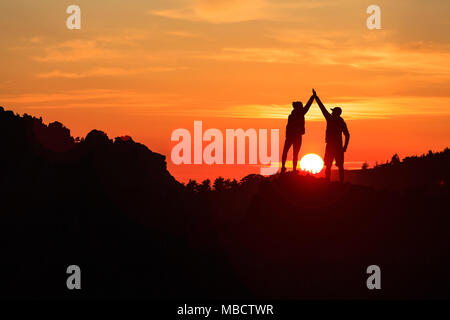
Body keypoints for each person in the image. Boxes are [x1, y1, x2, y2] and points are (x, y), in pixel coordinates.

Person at [313, 89, 350, 183]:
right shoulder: (341, 122)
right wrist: (344, 147)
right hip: (337, 146)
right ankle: (338, 182)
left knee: (329, 165)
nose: (332, 112)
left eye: (333, 111)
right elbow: (347, 135)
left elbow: (322, 108)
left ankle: (328, 181)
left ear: (335, 113)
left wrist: (316, 97)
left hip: (331, 146)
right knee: (339, 166)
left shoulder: (330, 119)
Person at [281, 93, 315, 173]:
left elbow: (308, 106)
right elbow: (288, 126)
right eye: (300, 106)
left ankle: (292, 169)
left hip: (296, 136)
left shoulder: (299, 114)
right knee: (287, 152)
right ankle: (284, 167)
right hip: (291, 136)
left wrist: (312, 97)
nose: (302, 107)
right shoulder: (294, 115)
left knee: (294, 153)